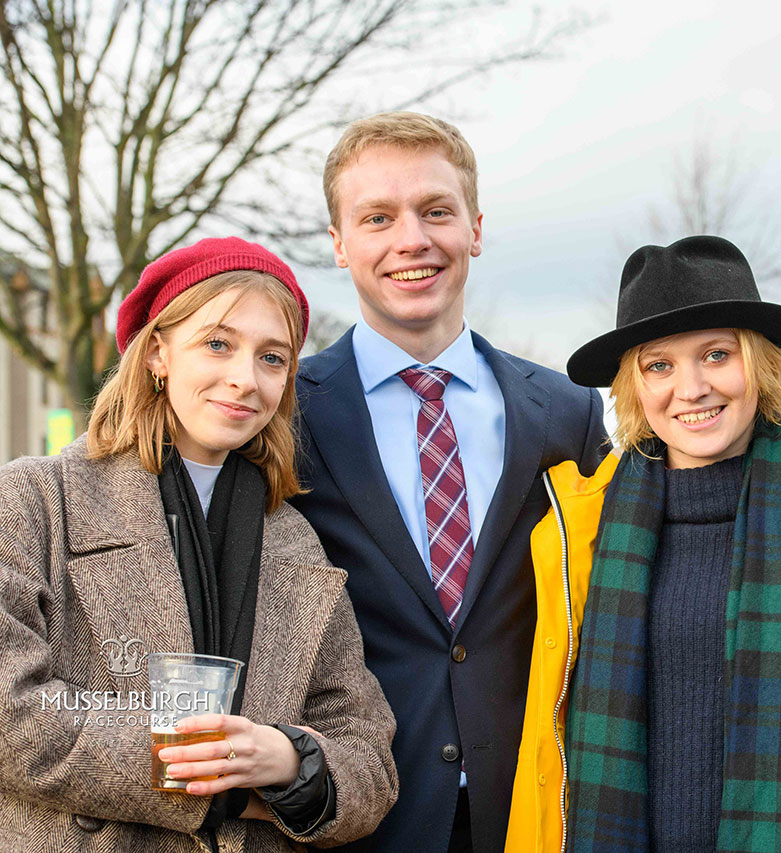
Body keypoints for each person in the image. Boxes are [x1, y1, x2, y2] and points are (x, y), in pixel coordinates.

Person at [0, 237, 398, 851]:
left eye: (273, 357)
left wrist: (290, 761)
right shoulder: (33, 500)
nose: (245, 379)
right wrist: (223, 779)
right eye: (218, 344)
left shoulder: (295, 539)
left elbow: (368, 755)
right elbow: (11, 716)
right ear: (157, 351)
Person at [506, 235, 781, 852]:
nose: (690, 388)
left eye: (716, 355)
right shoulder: (577, 526)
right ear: (634, 386)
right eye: (658, 365)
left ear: (760, 363)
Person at [291, 112, 608, 853]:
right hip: (359, 814)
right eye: (378, 217)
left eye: (436, 210)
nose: (412, 239)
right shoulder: (282, 418)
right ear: (339, 244)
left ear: (474, 227)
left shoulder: (567, 412)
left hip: (535, 810)